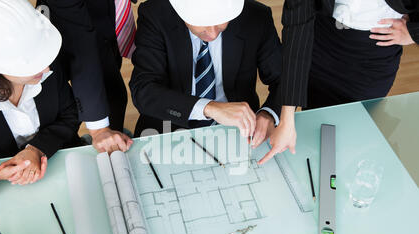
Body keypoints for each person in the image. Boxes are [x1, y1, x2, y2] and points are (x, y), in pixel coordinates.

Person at [258, 0, 419, 165]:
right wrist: (287, 118)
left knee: (353, 144)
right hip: (323, 41)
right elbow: (297, 21)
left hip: (372, 59)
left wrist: (413, 32)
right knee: (317, 136)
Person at [129, 0, 282, 151]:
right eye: (203, 22)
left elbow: (283, 79)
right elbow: (144, 90)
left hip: (240, 133)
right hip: (168, 131)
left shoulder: (257, 16)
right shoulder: (155, 15)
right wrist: (210, 108)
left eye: (221, 22)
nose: (213, 33)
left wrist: (268, 114)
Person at [0, 0, 80, 198]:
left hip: (65, 171)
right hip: (3, 194)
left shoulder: (44, 60)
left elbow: (69, 113)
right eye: (32, 64)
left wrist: (37, 148)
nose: (46, 69)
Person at [38, 0, 136, 153]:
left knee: (113, 89)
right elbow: (81, 46)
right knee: (105, 95)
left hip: (105, 18)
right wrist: (99, 130)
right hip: (67, 25)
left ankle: (113, 137)